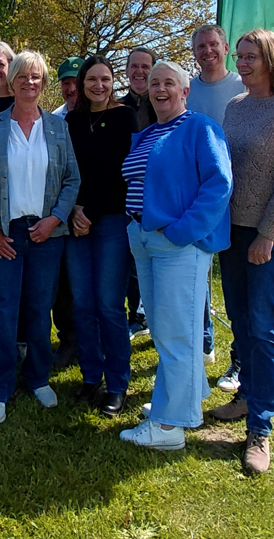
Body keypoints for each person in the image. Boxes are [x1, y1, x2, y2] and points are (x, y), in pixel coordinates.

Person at [211, 29, 274, 475]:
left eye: (251, 56)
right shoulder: (235, 107)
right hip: (233, 231)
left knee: (263, 324)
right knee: (239, 317)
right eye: (240, 56)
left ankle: (261, 428)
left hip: (270, 234)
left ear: (272, 58)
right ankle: (247, 396)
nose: (243, 63)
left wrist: (268, 234)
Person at [119, 60, 232, 451]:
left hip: (177, 244)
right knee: (168, 327)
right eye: (154, 84)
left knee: (175, 332)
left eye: (170, 83)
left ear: (185, 92)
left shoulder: (200, 127)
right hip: (144, 239)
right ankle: (186, 395)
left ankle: (168, 427)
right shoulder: (149, 132)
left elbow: (218, 185)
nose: (160, 89)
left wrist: (183, 232)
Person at [0, 51, 80, 425]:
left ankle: (37, 377)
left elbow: (71, 180)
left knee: (39, 308)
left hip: (46, 233)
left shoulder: (57, 127)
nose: (29, 83)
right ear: (12, 80)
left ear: (43, 83)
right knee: (2, 310)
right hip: (5, 232)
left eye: (37, 77)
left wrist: (54, 220)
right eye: (23, 77)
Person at [65, 57, 137, 416]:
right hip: (76, 222)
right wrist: (73, 211)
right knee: (82, 304)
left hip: (110, 221)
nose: (98, 85)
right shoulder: (72, 121)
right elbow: (65, 170)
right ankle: (91, 377)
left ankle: (117, 383)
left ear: (113, 82)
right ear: (81, 83)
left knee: (109, 304)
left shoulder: (125, 118)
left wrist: (88, 213)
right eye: (91, 79)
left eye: (105, 79)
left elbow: (118, 172)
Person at [188, 25, 246, 389]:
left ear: (225, 48)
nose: (207, 51)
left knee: (238, 289)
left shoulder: (243, 87)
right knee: (196, 282)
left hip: (240, 200)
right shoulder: (187, 90)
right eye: (200, 46)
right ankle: (200, 346)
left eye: (213, 45)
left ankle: (238, 362)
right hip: (198, 202)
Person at [48, 55, 84, 368]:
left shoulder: (102, 116)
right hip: (62, 213)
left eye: (76, 81)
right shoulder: (55, 120)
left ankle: (92, 343)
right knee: (62, 285)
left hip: (96, 216)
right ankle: (68, 341)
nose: (71, 88)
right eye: (66, 82)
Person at [121, 46, 157, 338]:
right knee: (131, 259)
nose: (139, 72)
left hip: (159, 197)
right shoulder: (118, 107)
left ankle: (150, 316)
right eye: (134, 66)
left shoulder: (164, 106)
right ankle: (136, 315)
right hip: (124, 196)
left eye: (146, 66)